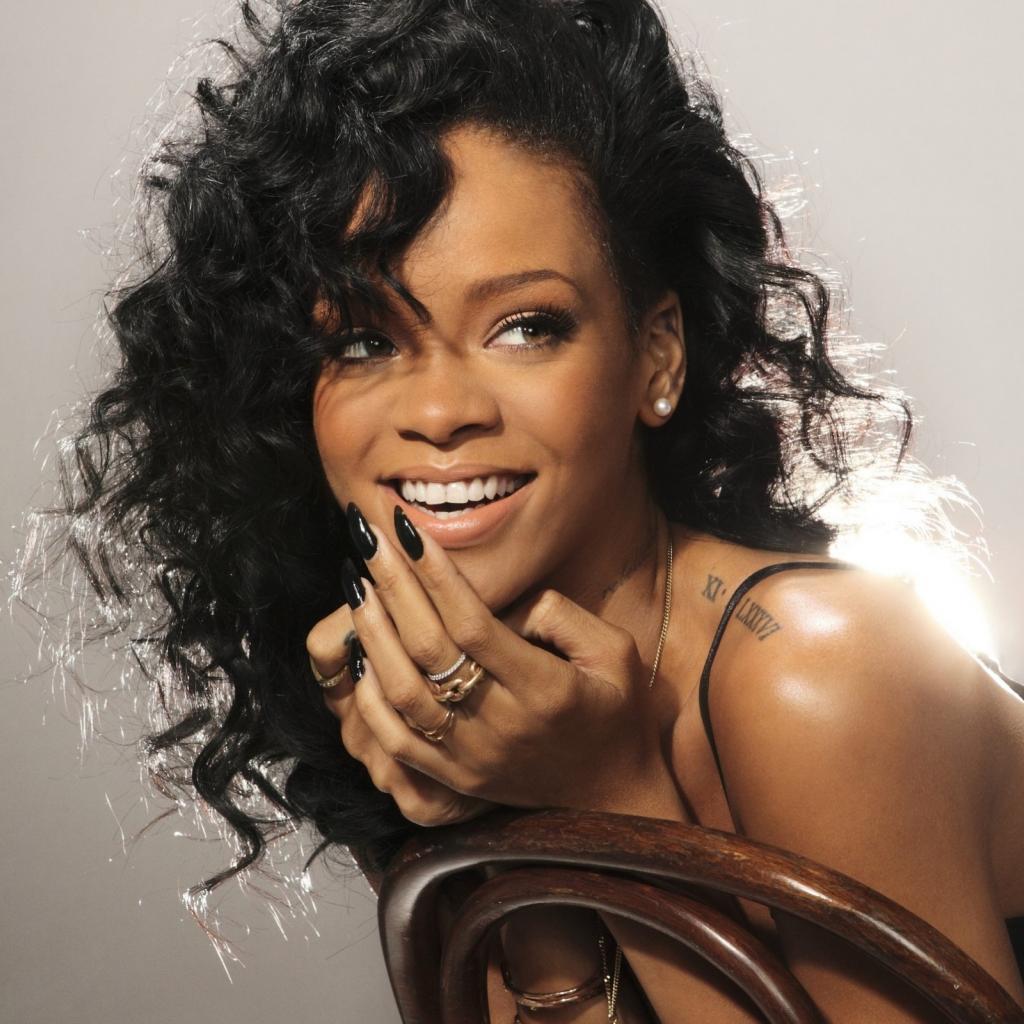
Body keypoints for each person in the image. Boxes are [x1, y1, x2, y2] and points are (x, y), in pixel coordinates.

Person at [12, 0, 1024, 1020]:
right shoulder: (455, 716)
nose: (439, 411)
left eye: (526, 327)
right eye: (365, 341)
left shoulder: (818, 670)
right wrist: (506, 837)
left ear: (655, 357)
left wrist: (613, 799)